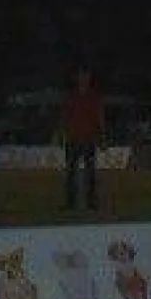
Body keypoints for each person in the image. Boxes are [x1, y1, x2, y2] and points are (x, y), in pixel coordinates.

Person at [62, 67, 104, 210]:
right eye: (81, 76)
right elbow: (66, 118)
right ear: (77, 78)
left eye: (86, 76)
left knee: (90, 173)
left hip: (89, 139)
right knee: (70, 173)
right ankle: (70, 203)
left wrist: (101, 137)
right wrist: (63, 135)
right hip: (73, 139)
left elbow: (99, 118)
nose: (83, 79)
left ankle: (91, 202)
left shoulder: (94, 97)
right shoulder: (71, 97)